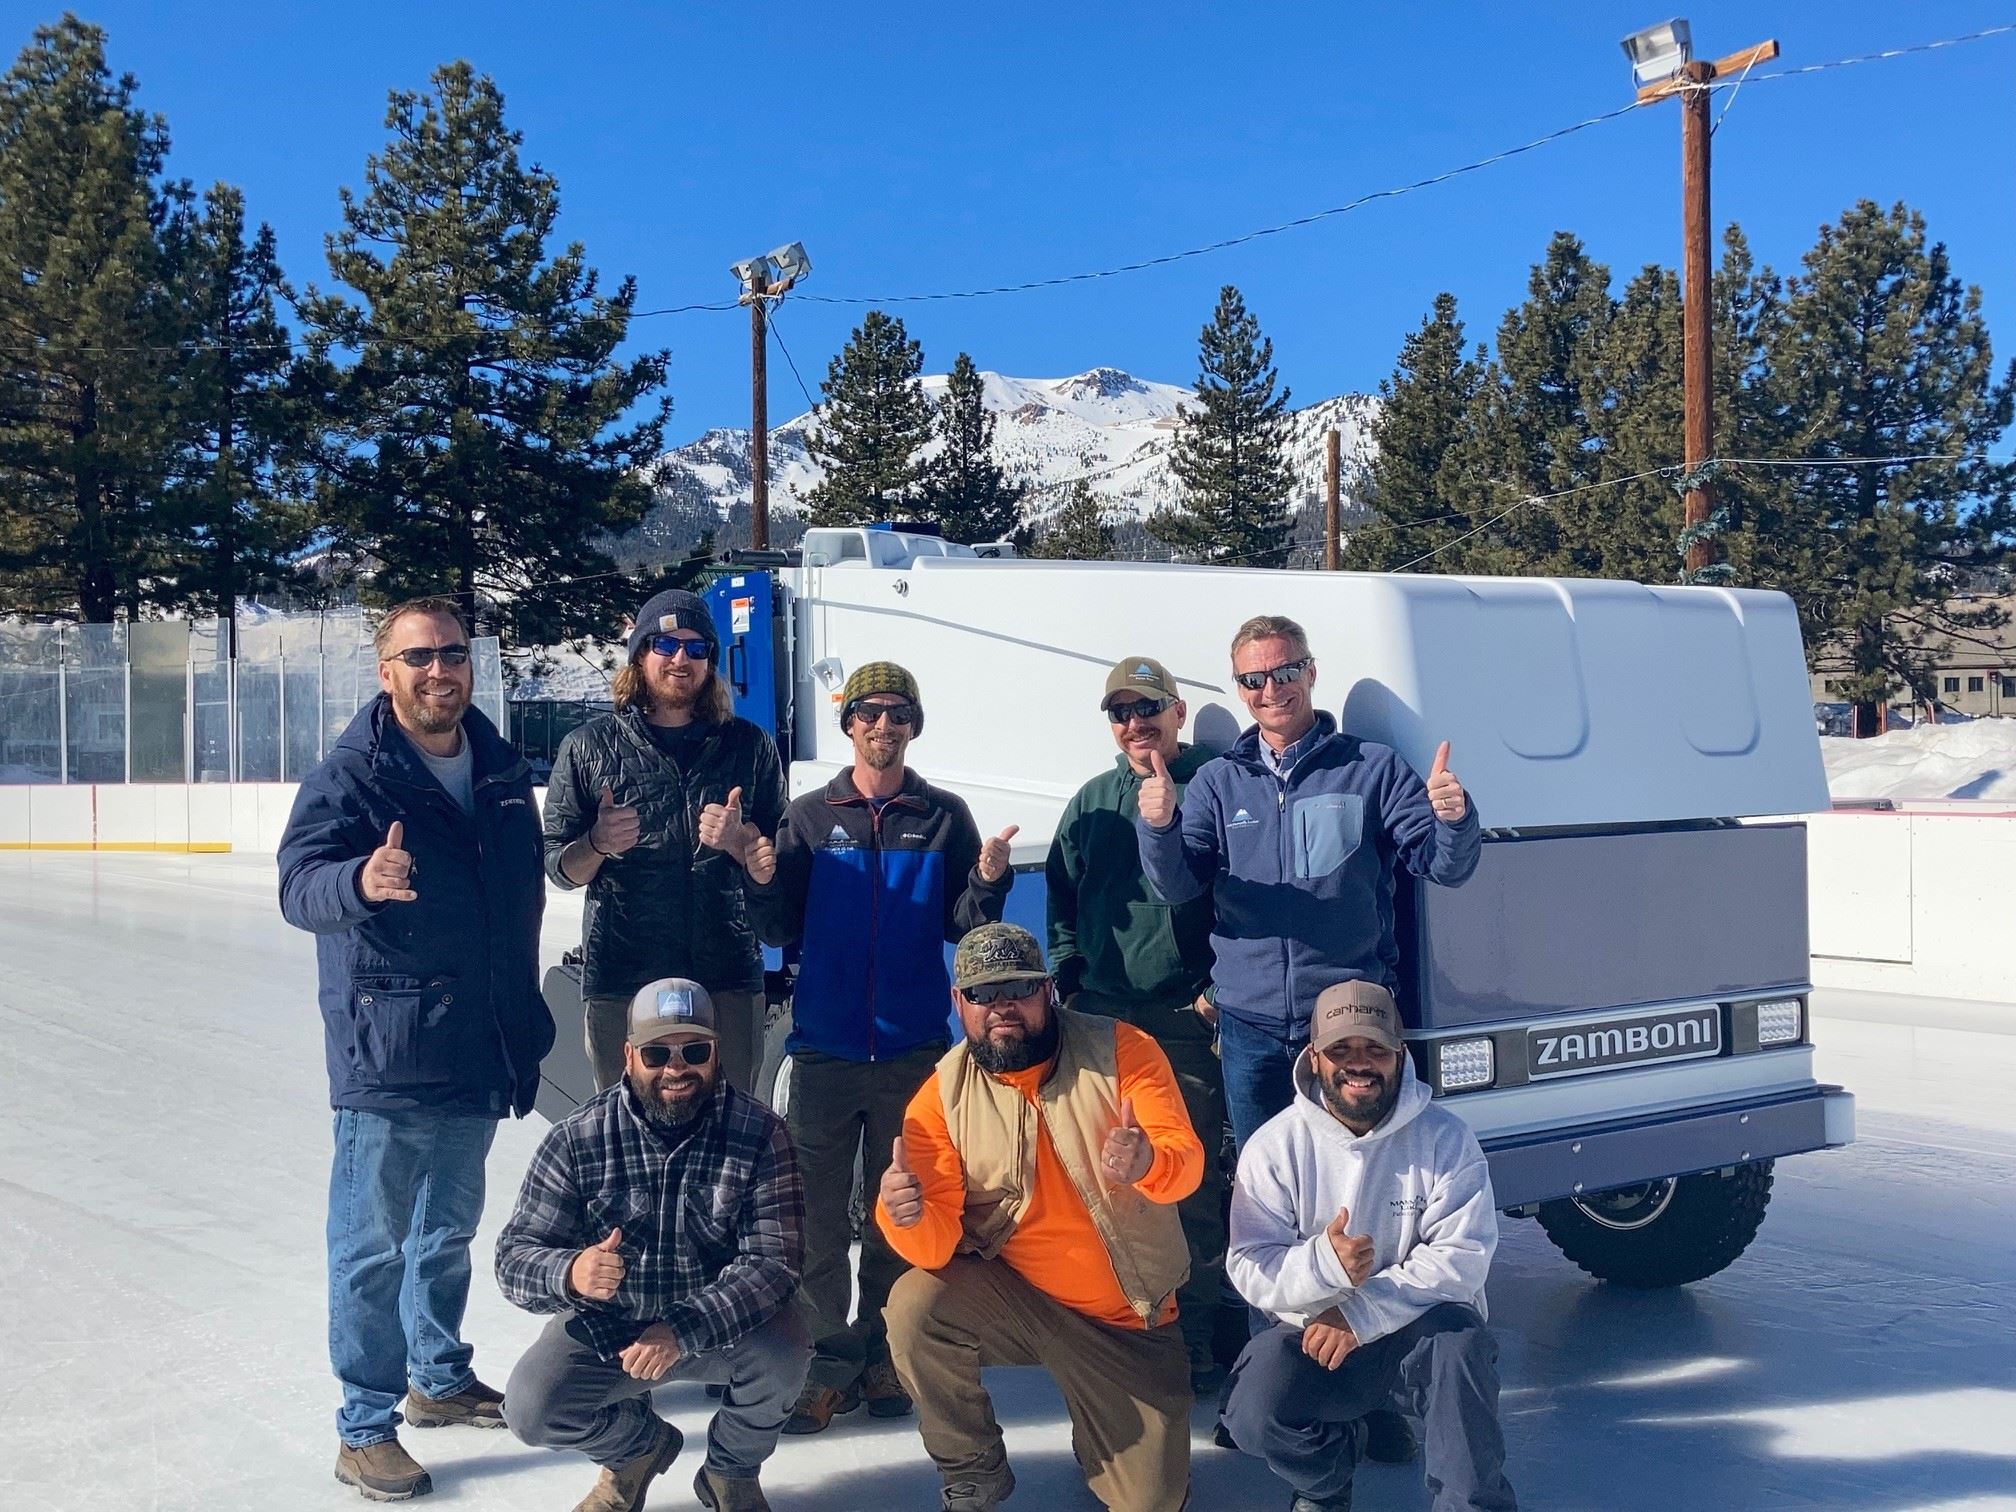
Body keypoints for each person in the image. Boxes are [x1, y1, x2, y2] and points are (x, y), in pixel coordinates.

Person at [278, 596, 554, 1502]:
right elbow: (298, 888)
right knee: (371, 1246)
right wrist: (359, 877)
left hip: (480, 1039)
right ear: (386, 671)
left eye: (454, 654)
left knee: (447, 1230)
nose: (441, 670)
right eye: (419, 656)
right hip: (389, 1049)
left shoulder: (503, 769)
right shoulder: (353, 775)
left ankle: (436, 1376)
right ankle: (364, 1427)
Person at [740, 661, 1018, 1433]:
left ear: (912, 726)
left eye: (898, 713)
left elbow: (964, 924)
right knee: (819, 1223)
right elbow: (777, 928)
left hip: (912, 1052)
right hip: (825, 1051)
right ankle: (827, 1365)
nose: (883, 725)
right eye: (869, 712)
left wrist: (989, 881)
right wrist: (758, 876)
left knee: (902, 1213)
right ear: (850, 724)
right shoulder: (806, 816)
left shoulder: (941, 816)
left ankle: (885, 1359)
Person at [879, 923, 1204, 1512]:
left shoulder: (1122, 1049)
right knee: (913, 1308)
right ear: (959, 1003)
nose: (1002, 1005)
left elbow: (1186, 1166)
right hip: (1017, 1301)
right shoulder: (940, 1096)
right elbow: (932, 1247)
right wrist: (903, 1214)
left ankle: (1104, 1437)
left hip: (1125, 1321)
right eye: (982, 993)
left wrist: (1149, 1160)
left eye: (1019, 987)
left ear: (1048, 990)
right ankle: (972, 1472)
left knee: (1152, 1502)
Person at [1135, 613, 1480, 1149]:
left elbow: (1446, 866)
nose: (1270, 689)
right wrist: (1159, 828)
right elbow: (1177, 886)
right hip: (1252, 1024)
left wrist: (1453, 819)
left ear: (1311, 673)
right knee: (1264, 1173)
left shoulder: (1371, 768)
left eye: (1284, 671)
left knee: (1361, 1166)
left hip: (1352, 1018)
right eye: (1253, 679)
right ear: (1241, 689)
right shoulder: (1218, 781)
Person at [497, 977, 809, 1512]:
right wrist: (571, 1272)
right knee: (531, 1406)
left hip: (716, 1327)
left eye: (694, 1050)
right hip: (612, 1329)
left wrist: (681, 1329)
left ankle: (730, 1474)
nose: (676, 1067)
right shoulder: (577, 1139)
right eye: (656, 1052)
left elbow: (773, 1263)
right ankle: (636, 1451)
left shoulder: (760, 1133)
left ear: (716, 1052)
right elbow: (514, 1258)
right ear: (628, 1055)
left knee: (786, 1353)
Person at [1220, 981, 1517, 1512]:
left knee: (1463, 1347)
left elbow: (1465, 1256)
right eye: (1341, 1050)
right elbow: (1248, 1263)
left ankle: (1471, 1505)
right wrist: (1321, 1265)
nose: (1360, 1065)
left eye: (1376, 1049)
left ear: (1399, 1054)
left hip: (1418, 1336)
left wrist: (1359, 1312)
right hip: (1313, 1335)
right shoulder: (1274, 1146)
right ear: (1314, 1058)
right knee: (1250, 1408)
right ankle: (1325, 1481)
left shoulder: (1446, 1138)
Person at [1046, 653, 1228, 1391]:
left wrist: (1219, 986)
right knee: (1103, 1180)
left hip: (1184, 1020)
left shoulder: (1216, 781)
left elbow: (1250, 890)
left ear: (1178, 712)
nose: (1134, 723)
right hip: (1101, 1023)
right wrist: (1066, 974)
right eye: (1120, 713)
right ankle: (1118, 1327)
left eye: (1148, 708)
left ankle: (1199, 1336)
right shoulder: (1093, 800)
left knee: (1191, 1185)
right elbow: (1062, 896)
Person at [541, 588, 786, 1093]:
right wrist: (597, 842)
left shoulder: (749, 746)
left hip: (727, 974)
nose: (681, 659)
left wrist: (745, 847)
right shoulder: (587, 747)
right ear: (639, 654)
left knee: (732, 1126)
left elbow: (777, 866)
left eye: (697, 649)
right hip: (622, 975)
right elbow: (557, 867)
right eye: (665, 645)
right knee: (626, 1129)